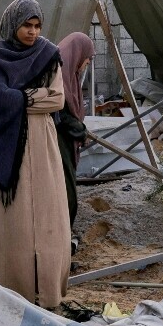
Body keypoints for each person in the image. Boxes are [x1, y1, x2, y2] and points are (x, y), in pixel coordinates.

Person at [0, 0, 70, 309]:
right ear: (12, 25)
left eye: (36, 26)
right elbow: (1, 98)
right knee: (11, 222)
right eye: (26, 26)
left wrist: (21, 97)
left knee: (46, 216)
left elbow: (58, 100)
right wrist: (36, 96)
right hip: (5, 142)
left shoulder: (48, 53)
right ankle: (9, 289)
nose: (32, 32)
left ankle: (46, 291)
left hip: (42, 143)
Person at [56, 32, 95, 238]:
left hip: (65, 139)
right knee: (65, 190)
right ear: (78, 53)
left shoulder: (69, 75)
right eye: (88, 57)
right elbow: (60, 112)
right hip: (57, 142)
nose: (87, 62)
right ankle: (63, 238)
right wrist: (81, 131)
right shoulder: (58, 73)